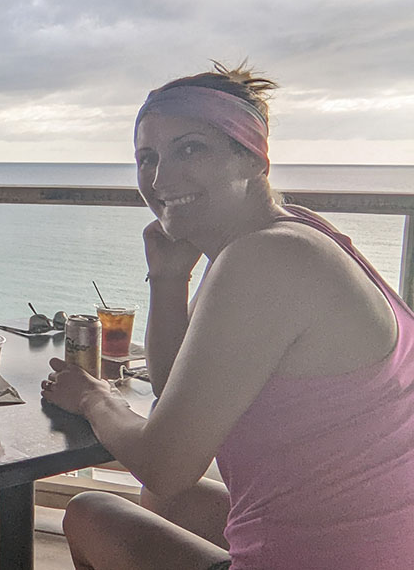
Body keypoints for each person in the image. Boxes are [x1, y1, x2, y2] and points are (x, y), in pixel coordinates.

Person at [40, 63, 414, 570]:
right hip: (383, 546)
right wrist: (169, 280)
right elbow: (177, 397)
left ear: (253, 158)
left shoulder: (264, 259)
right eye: (148, 158)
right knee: (163, 502)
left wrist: (94, 397)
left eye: (190, 149)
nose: (160, 178)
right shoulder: (297, 232)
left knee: (90, 514)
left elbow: (164, 463)